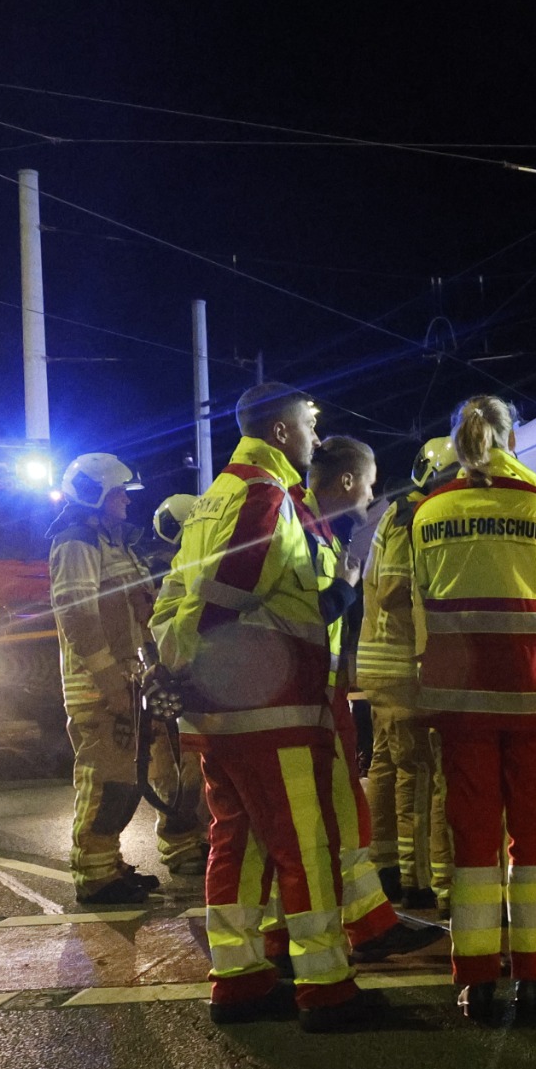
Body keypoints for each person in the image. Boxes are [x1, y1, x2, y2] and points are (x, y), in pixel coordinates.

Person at [149, 382, 382, 1033]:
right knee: (306, 846)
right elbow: (231, 591)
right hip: (269, 706)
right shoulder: (265, 495)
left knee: (238, 842)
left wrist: (175, 668)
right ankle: (326, 987)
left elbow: (176, 596)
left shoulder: (213, 499)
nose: (314, 438)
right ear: (281, 432)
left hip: (220, 714)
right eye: (309, 426)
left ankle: (241, 978)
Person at [410, 394, 536, 1022]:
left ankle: (476, 981)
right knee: (534, 841)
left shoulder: (430, 513)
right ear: (512, 439)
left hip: (461, 703)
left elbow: (419, 601)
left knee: (473, 842)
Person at [300, 434, 430, 962]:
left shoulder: (323, 530)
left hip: (323, 692)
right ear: (348, 481)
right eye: (369, 484)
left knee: (346, 808)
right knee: (320, 818)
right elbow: (305, 615)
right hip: (305, 696)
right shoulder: (304, 531)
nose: (372, 495)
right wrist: (346, 586)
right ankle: (318, 943)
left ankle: (370, 922)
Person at [49, 452, 162, 906]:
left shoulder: (113, 543)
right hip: (100, 687)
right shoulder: (77, 542)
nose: (127, 502)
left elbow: (140, 612)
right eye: (118, 493)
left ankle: (109, 865)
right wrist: (110, 683)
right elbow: (78, 616)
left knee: (122, 780)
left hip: (125, 681)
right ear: (95, 494)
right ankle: (94, 876)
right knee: (104, 780)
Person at [359, 438, 456, 910]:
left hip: (384, 664)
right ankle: (419, 882)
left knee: (388, 765)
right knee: (419, 772)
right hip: (401, 665)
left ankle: (386, 868)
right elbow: (398, 588)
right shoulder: (412, 517)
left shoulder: (399, 512)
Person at [137, 492, 209, 885]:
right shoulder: (154, 573)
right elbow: (145, 629)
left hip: (188, 678)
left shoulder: (190, 566)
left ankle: (198, 837)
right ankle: (179, 844)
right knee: (170, 770)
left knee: (195, 766)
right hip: (162, 681)